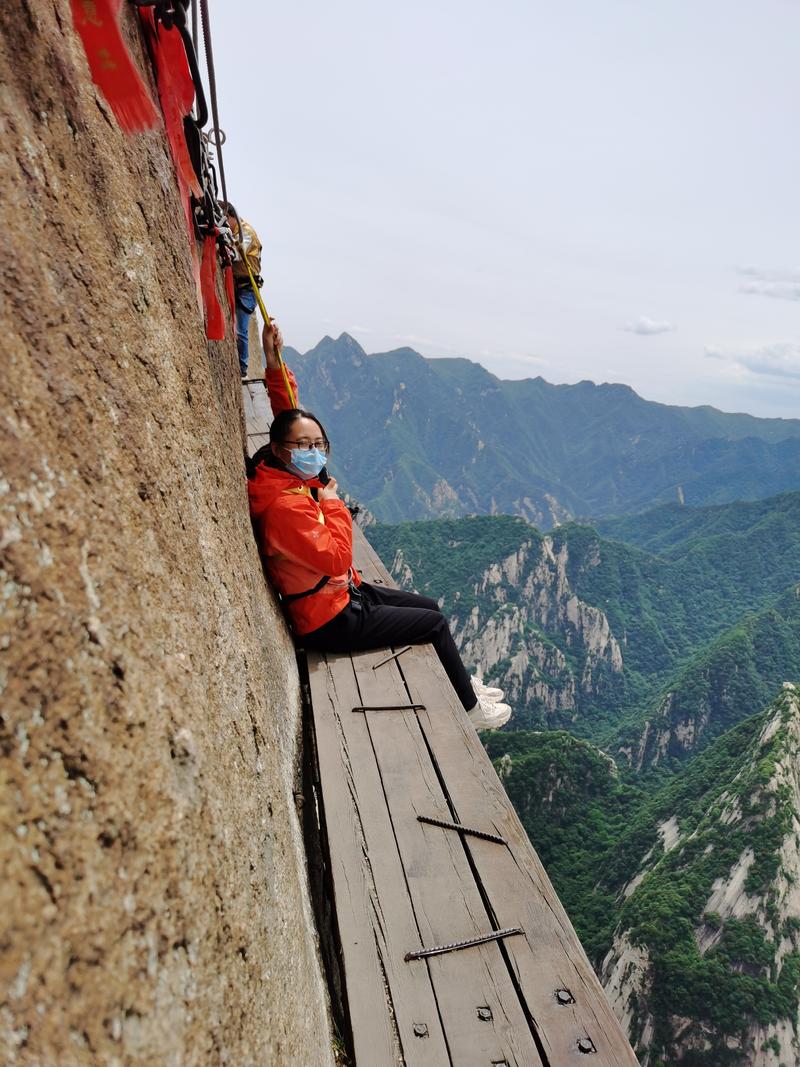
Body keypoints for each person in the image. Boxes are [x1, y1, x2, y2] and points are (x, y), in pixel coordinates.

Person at [246, 322, 512, 731]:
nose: (314, 451)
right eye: (305, 446)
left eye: (319, 443)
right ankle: (471, 710)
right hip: (328, 621)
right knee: (434, 625)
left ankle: (464, 683)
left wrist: (272, 360)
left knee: (429, 607)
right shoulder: (285, 503)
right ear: (283, 449)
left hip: (340, 597)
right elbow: (336, 558)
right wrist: (333, 506)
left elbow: (288, 414)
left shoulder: (277, 466)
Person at [224, 202, 262, 378]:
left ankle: (243, 366)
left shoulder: (245, 231)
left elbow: (238, 253)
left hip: (247, 287)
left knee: (241, 328)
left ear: (232, 217)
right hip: (238, 283)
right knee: (237, 326)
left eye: (226, 220)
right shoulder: (236, 232)